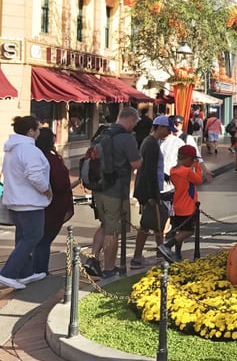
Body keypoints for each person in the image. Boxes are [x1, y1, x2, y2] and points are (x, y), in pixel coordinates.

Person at [84, 107, 142, 279]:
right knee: (113, 230)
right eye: (135, 122)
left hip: (99, 188)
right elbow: (136, 164)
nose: (135, 126)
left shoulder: (102, 133)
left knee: (104, 224)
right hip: (115, 191)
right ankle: (109, 268)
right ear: (131, 119)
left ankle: (92, 260)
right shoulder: (126, 138)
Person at [0, 116, 52, 290]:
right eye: (37, 129)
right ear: (30, 131)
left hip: (15, 199)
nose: (39, 132)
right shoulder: (29, 150)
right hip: (30, 202)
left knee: (23, 237)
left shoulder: (12, 149)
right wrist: (47, 190)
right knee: (33, 236)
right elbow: (35, 175)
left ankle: (25, 272)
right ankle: (8, 273)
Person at [130, 114, 176, 269]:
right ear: (160, 127)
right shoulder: (151, 144)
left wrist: (164, 176)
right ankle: (139, 257)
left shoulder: (150, 143)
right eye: (167, 129)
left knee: (157, 222)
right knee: (150, 222)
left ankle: (161, 251)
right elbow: (148, 170)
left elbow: (151, 168)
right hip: (148, 191)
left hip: (148, 189)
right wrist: (153, 195)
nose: (169, 133)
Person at [34, 127, 79, 276]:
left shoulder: (34, 156)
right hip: (52, 205)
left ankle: (32, 270)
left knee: (34, 239)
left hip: (37, 204)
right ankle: (39, 271)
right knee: (44, 240)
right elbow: (60, 184)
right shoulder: (51, 159)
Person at [157, 145, 208, 263]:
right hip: (188, 206)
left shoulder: (173, 170)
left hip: (177, 204)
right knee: (188, 231)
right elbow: (199, 180)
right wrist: (197, 166)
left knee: (180, 230)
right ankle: (167, 246)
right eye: (192, 160)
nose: (192, 162)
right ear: (187, 158)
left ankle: (177, 254)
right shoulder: (186, 172)